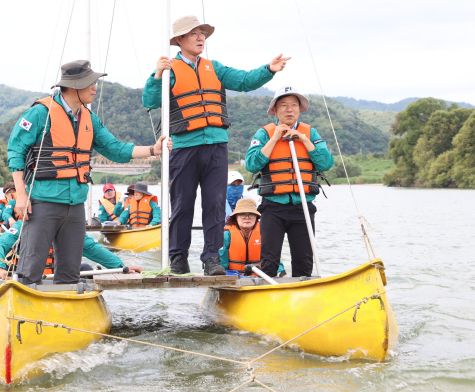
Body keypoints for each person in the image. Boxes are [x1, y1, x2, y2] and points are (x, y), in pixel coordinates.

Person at [142, 15, 291, 276]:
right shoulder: (169, 68)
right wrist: (157, 74)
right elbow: (151, 100)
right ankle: (178, 258)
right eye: (194, 34)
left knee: (214, 204)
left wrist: (269, 69)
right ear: (179, 40)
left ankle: (211, 258)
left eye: (203, 34)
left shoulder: (215, 68)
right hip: (184, 146)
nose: (201, 38)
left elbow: (244, 81)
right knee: (182, 204)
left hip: (216, 146)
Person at [7, 60, 171, 285]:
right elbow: (15, 151)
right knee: (30, 267)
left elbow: (115, 149)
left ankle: (67, 307)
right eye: (91, 83)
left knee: (69, 272)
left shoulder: (88, 118)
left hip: (75, 206)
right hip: (42, 202)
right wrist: (22, 195)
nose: (95, 87)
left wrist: (153, 149)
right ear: (74, 86)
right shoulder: (39, 113)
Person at [246, 86, 334, 277]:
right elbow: (252, 165)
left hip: (303, 206)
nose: (289, 109)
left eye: (294, 105)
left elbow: (326, 163)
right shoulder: (264, 134)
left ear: (300, 110)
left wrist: (303, 140)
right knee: (269, 262)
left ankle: (303, 300)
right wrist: (276, 137)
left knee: (304, 264)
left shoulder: (310, 133)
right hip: (273, 207)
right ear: (275, 111)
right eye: (284, 105)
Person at [0, 220, 142, 280]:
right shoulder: (21, 225)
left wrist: (121, 267)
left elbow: (92, 248)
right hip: (29, 278)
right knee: (0, 275)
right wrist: (0, 269)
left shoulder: (70, 226)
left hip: (60, 278)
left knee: (86, 269)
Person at [219, 198, 285, 276]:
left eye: (251, 214)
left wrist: (281, 272)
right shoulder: (227, 235)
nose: (247, 217)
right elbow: (222, 262)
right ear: (236, 217)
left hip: (260, 277)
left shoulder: (265, 233)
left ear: (256, 216)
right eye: (242, 214)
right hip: (234, 278)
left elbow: (273, 257)